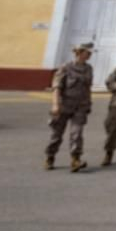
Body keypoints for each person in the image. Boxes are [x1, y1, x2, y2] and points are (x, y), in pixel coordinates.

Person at [46, 41, 94, 172]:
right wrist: (56, 105)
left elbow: (87, 87)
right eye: (86, 52)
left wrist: (88, 103)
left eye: (90, 53)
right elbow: (56, 87)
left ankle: (75, 159)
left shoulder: (88, 69)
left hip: (80, 106)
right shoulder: (65, 68)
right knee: (57, 134)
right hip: (64, 105)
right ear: (79, 53)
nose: (89, 55)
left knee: (77, 133)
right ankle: (50, 156)